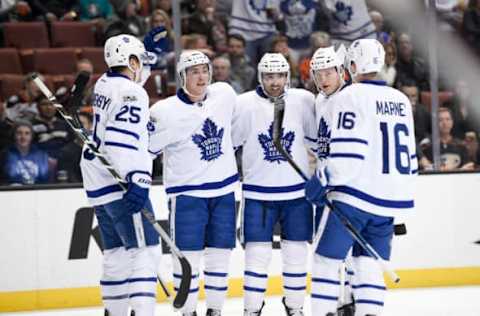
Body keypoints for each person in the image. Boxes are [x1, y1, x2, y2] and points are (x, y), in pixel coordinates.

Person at [305, 39, 417, 316]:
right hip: (390, 200)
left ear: (352, 66)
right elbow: (411, 161)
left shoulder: (351, 96)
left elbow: (349, 154)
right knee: (368, 263)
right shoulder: (401, 99)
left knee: (325, 261)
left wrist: (323, 179)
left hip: (355, 197)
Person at [149, 50, 239, 316]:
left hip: (224, 192)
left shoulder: (224, 94)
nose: (201, 77)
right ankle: (188, 312)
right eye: (194, 72)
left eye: (204, 70)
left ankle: (215, 310)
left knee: (220, 256)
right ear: (182, 76)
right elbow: (145, 150)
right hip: (187, 195)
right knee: (187, 259)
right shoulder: (164, 111)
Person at [79, 34, 161, 316]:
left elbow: (129, 85)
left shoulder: (104, 82)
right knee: (145, 250)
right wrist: (139, 178)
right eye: (139, 61)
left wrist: (146, 56)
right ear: (131, 61)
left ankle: (113, 312)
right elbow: (124, 139)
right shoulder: (133, 93)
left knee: (115, 253)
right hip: (121, 182)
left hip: (99, 181)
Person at [232, 53, 316, 316]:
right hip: (258, 194)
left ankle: (295, 307)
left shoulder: (303, 100)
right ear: (260, 77)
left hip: (297, 194)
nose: (275, 81)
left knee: (296, 253)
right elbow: (229, 145)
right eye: (269, 76)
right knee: (257, 255)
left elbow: (316, 141)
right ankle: (252, 309)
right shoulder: (244, 104)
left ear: (287, 77)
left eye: (280, 75)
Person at [309, 45, 355, 316]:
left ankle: (348, 300)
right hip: (326, 184)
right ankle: (342, 300)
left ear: (340, 72)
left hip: (346, 184)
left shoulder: (350, 98)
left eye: (328, 72)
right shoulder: (319, 100)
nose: (323, 78)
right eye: (318, 73)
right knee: (332, 247)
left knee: (344, 248)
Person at [0, 121, 52, 185]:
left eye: (27, 133)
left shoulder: (41, 155)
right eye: (19, 133)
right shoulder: (5, 155)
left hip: (37, 191)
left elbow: (46, 180)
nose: (23, 137)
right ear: (13, 135)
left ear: (31, 136)